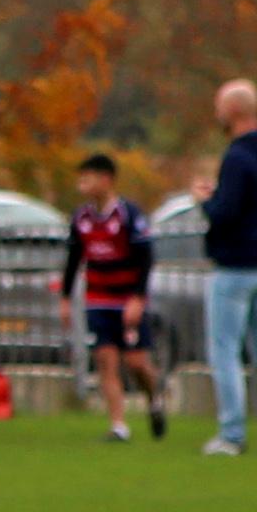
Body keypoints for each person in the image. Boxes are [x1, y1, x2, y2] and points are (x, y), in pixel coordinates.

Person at [197, 78, 257, 458]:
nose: (217, 112)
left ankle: (232, 433)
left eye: (220, 106)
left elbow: (226, 213)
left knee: (225, 349)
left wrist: (205, 202)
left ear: (234, 111)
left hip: (235, 265)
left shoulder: (237, 156)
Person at [62, 152, 165, 443]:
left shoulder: (128, 214)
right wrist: (66, 298)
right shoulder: (81, 218)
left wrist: (138, 298)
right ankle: (118, 425)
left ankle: (155, 398)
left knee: (136, 363)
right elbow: (73, 259)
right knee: (106, 360)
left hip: (127, 300)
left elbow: (146, 258)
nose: (82, 184)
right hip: (98, 299)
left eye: (88, 177)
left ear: (106, 180)